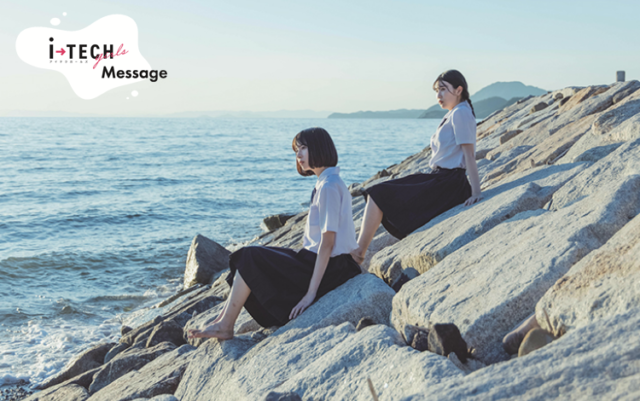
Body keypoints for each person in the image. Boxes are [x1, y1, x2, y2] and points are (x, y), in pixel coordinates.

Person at [188, 127, 361, 340]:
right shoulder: (327, 182)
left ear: (319, 148)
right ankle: (222, 321)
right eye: (296, 150)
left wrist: (310, 294)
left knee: (250, 256)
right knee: (249, 258)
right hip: (322, 262)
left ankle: (225, 325)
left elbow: (328, 243)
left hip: (330, 269)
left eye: (303, 148)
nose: (298, 155)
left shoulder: (329, 187)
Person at [351, 70, 483, 264]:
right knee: (378, 192)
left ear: (458, 90)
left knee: (378, 192)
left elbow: (469, 154)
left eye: (443, 89)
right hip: (440, 178)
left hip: (448, 183)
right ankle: (358, 252)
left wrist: (476, 192)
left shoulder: (461, 112)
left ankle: (358, 254)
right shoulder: (454, 113)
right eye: (436, 91)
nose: (438, 95)